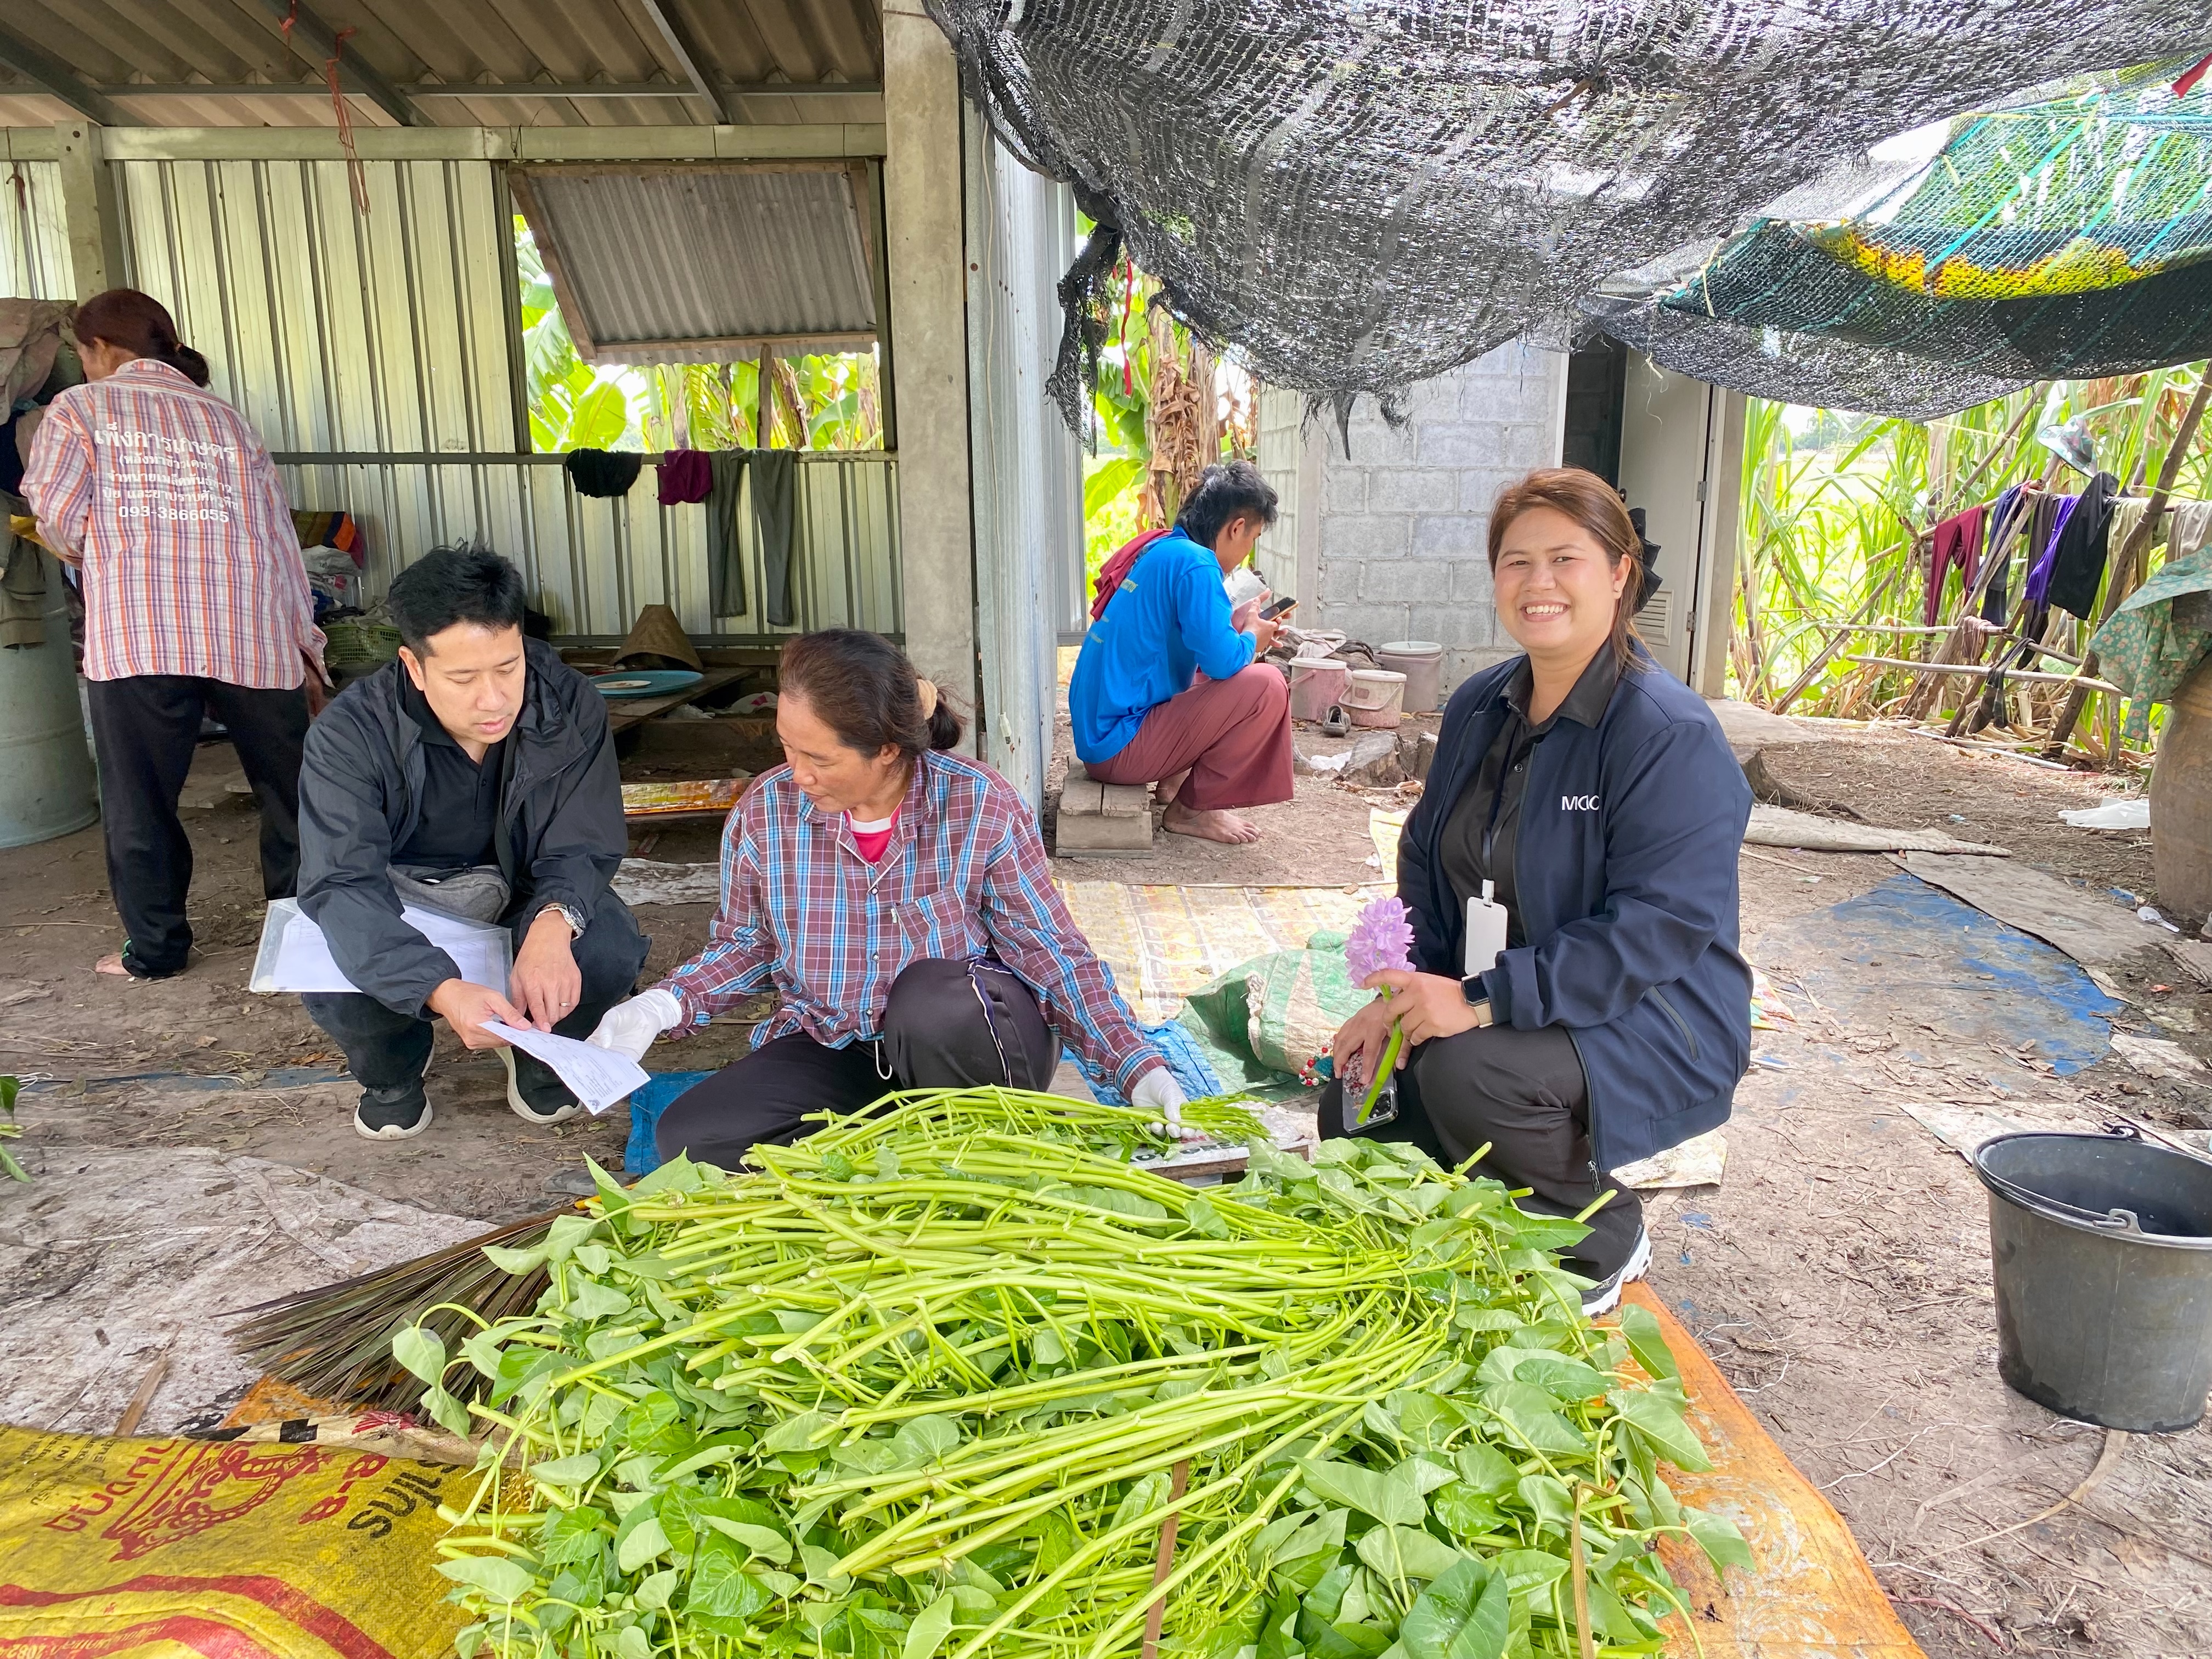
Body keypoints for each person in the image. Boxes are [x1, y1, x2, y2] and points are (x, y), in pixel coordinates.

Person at [1324, 467, 1751, 1314]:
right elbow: (1427, 858)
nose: (1539, 583)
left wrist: (1478, 1002)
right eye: (1516, 562)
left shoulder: (1668, 735)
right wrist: (1410, 996)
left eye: (1566, 558)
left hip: (1657, 1012)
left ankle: (1601, 1232)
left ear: (1620, 573)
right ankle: (1482, 1206)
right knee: (1355, 1102)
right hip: (1524, 992)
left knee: (1469, 1075)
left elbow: (1654, 930)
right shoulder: (1485, 704)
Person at [586, 628, 1188, 1169]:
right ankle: (909, 1152)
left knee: (930, 999)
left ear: (888, 750)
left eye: (819, 758)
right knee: (690, 1141)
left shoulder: (978, 804)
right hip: (838, 1041)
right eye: (787, 748)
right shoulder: (765, 813)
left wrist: (1136, 1067)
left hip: (968, 1041)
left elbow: (1051, 953)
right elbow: (750, 944)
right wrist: (665, 1005)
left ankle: (967, 1137)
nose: (796, 774)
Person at [21, 287, 328, 980]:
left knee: (142, 801)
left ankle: (157, 952)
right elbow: (280, 541)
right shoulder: (226, 418)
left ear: (97, 349)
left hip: (139, 635)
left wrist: (89, 546)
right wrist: (305, 647)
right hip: (250, 631)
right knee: (293, 797)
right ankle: (305, 951)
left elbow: (61, 521)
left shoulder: (78, 409)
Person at [296, 543, 649, 1141]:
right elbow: (343, 882)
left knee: (606, 948)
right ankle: (395, 1071)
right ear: (414, 666)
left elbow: (583, 839)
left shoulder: (568, 702)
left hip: (519, 891)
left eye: (508, 668)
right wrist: (440, 988)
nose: (493, 699)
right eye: (463, 677)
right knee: (334, 971)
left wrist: (553, 922)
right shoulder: (349, 734)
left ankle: (538, 1055)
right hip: (401, 899)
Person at [1070, 461, 1295, 845]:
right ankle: (1191, 811)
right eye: (1252, 537)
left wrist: (1242, 630)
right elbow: (1223, 662)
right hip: (1117, 747)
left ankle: (1173, 785)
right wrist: (1252, 642)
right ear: (1236, 528)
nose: (1247, 550)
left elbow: (1187, 645)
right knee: (1268, 685)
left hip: (1102, 734)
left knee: (1219, 673)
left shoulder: (1166, 548)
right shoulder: (1197, 564)